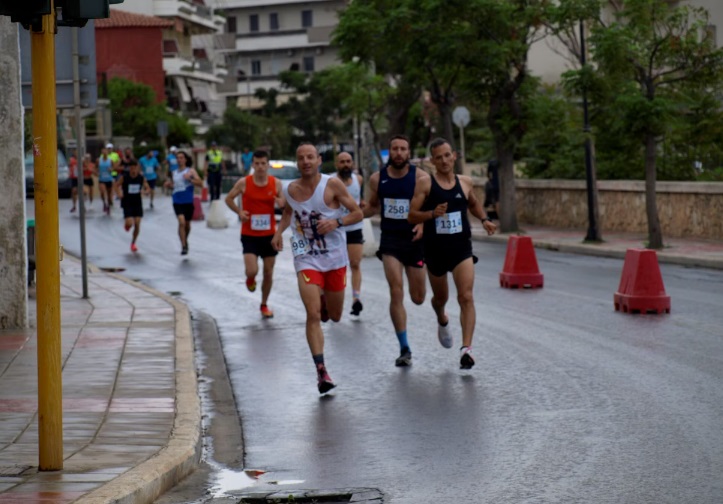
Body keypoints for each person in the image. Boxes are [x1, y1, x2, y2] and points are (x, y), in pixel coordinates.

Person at [271, 143, 363, 394]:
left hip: (334, 259)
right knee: (312, 315)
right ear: (297, 162)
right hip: (306, 257)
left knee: (334, 316)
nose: (305, 162)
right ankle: (321, 371)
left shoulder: (332, 185)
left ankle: (324, 301)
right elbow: (289, 213)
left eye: (310, 157)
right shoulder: (290, 189)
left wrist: (336, 222)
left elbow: (358, 213)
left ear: (319, 160)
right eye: (301, 158)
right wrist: (279, 232)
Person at [408, 138, 497, 369]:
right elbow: (411, 215)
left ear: (454, 155)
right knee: (441, 299)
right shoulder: (425, 184)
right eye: (439, 157)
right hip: (435, 250)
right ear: (432, 161)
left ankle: (466, 349)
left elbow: (474, 203)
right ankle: (441, 317)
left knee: (466, 296)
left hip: (461, 248)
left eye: (447, 155)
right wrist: (431, 215)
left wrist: (485, 219)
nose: (444, 160)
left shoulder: (465, 182)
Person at [364, 134, 428, 367]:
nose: (399, 153)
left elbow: (429, 208)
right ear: (389, 152)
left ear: (408, 152)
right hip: (390, 241)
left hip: (414, 242)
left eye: (403, 149)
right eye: (395, 149)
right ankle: (404, 347)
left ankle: (442, 318)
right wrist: (351, 214)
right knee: (396, 291)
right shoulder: (377, 179)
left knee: (418, 297)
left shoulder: (420, 178)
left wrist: (421, 223)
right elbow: (372, 206)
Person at [224, 150, 285, 319]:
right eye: (256, 163)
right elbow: (228, 199)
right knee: (252, 270)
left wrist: (282, 203)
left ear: (268, 165)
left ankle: (264, 304)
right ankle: (250, 279)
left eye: (263, 163)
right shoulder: (244, 182)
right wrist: (239, 212)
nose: (260, 167)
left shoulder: (276, 183)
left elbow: (284, 204)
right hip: (249, 234)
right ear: (252, 165)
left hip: (269, 235)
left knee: (268, 272)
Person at [334, 152, 366, 316]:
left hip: (354, 227)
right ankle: (330, 297)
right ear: (336, 164)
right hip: (335, 229)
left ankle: (356, 298)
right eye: (342, 162)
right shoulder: (330, 181)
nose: (345, 164)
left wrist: (362, 204)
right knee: (335, 267)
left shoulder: (358, 180)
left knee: (355, 263)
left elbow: (360, 199)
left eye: (348, 161)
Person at [164, 150, 203, 255]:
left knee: (187, 225)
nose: (179, 160)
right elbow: (176, 185)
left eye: (181, 158)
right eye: (178, 158)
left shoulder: (190, 171)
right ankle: (184, 245)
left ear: (185, 159)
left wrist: (190, 178)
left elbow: (200, 183)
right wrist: (169, 185)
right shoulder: (174, 172)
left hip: (188, 201)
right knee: (181, 222)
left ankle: (185, 239)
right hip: (177, 200)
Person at [115, 158, 150, 253]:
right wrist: (119, 193)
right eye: (132, 168)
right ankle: (127, 225)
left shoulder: (141, 178)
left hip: (137, 203)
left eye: (135, 168)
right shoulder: (124, 177)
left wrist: (145, 191)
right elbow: (116, 185)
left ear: (138, 168)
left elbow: (147, 188)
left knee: (137, 224)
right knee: (130, 223)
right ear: (129, 168)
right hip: (127, 202)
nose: (133, 170)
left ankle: (133, 243)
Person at [97, 146, 115, 215]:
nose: (104, 152)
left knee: (109, 195)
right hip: (102, 179)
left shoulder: (110, 160)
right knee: (102, 191)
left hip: (109, 179)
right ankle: (104, 203)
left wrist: (111, 169)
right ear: (102, 152)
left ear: (107, 152)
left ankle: (108, 206)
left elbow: (113, 167)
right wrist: (97, 172)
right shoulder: (99, 160)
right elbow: (96, 167)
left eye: (106, 151)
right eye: (103, 151)